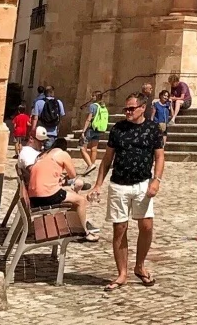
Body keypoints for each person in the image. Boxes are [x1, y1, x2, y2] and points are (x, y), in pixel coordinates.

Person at [89, 92, 165, 292]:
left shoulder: (152, 129)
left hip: (142, 183)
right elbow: (108, 159)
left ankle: (139, 266)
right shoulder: (118, 129)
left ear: (143, 108)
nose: (128, 112)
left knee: (146, 226)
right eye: (126, 109)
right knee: (120, 228)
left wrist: (156, 180)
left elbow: (159, 156)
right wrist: (98, 184)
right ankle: (122, 273)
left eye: (131, 108)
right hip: (119, 184)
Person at [26, 136, 95, 236]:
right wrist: (65, 179)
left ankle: (73, 226)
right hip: (47, 196)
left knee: (72, 197)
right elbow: (73, 175)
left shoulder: (42, 155)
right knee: (81, 200)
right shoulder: (62, 154)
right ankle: (84, 233)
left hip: (33, 197)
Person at [79, 90, 109, 170]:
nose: (91, 97)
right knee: (94, 148)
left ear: (96, 97)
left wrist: (83, 131)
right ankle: (92, 165)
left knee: (82, 147)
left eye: (93, 96)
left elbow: (89, 119)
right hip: (98, 130)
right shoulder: (103, 106)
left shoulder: (93, 106)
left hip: (91, 129)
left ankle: (90, 165)